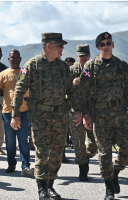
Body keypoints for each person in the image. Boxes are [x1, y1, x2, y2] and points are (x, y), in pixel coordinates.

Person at [10, 33, 83, 200]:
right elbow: (19, 90)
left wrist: (77, 110)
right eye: (59, 45)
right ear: (49, 46)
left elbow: (71, 91)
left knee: (57, 154)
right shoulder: (31, 65)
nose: (62, 48)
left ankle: (50, 186)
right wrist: (15, 115)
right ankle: (41, 188)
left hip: (60, 116)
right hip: (40, 117)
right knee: (42, 152)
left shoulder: (63, 67)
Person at [76, 32, 128, 200]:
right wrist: (84, 114)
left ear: (113, 45)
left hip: (120, 114)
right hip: (100, 116)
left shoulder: (121, 65)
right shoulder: (90, 66)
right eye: (102, 44)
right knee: (104, 153)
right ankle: (109, 189)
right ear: (98, 47)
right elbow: (82, 91)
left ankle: (115, 173)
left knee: (127, 149)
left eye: (108, 43)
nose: (106, 46)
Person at [0, 49, 33, 176]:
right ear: (8, 59)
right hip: (8, 112)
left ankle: (26, 166)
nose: (15, 59)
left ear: (20, 59)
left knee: (23, 140)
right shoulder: (3, 74)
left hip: (24, 112)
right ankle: (11, 164)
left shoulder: (25, 72)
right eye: (13, 57)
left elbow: (33, 88)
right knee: (10, 141)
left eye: (17, 57)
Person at [68, 44, 97, 181]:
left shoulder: (95, 70)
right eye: (81, 55)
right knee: (79, 143)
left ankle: (85, 157)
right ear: (77, 56)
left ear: (90, 55)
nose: (83, 57)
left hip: (93, 113)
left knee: (95, 142)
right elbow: (63, 90)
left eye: (86, 55)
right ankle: (83, 169)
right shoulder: (71, 71)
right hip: (75, 113)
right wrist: (71, 84)